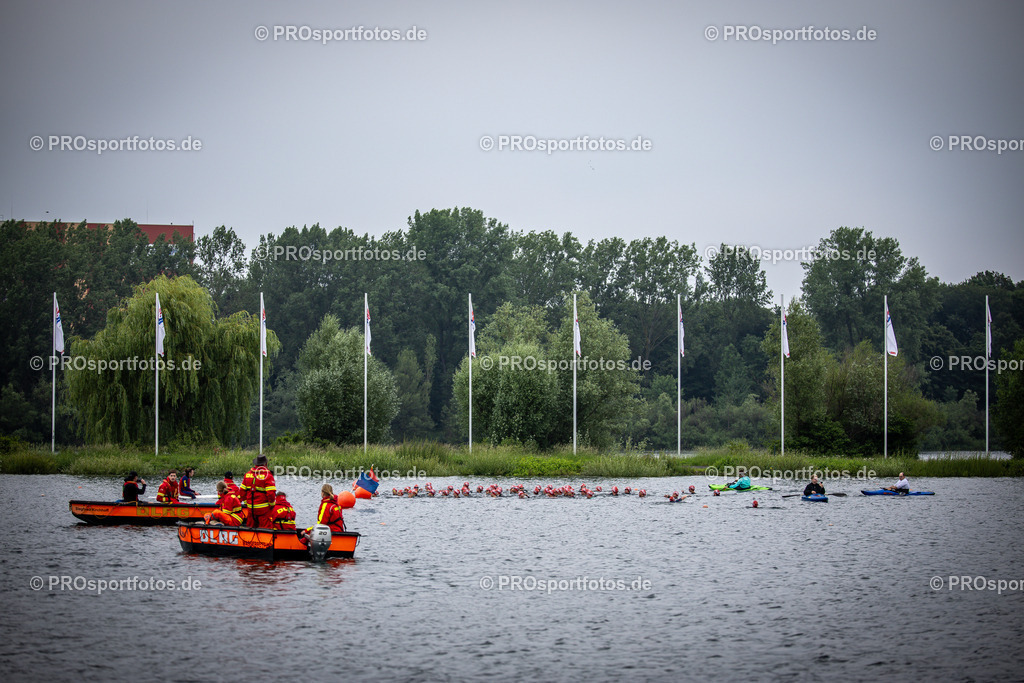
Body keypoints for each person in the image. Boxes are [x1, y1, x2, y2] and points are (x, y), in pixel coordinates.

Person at [240, 455, 276, 528]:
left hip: (251, 509)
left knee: (250, 528)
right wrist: (272, 505)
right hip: (264, 509)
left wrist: (247, 503)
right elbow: (271, 494)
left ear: (255, 464)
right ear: (265, 464)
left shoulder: (247, 475)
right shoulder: (267, 475)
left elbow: (242, 491)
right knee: (265, 530)